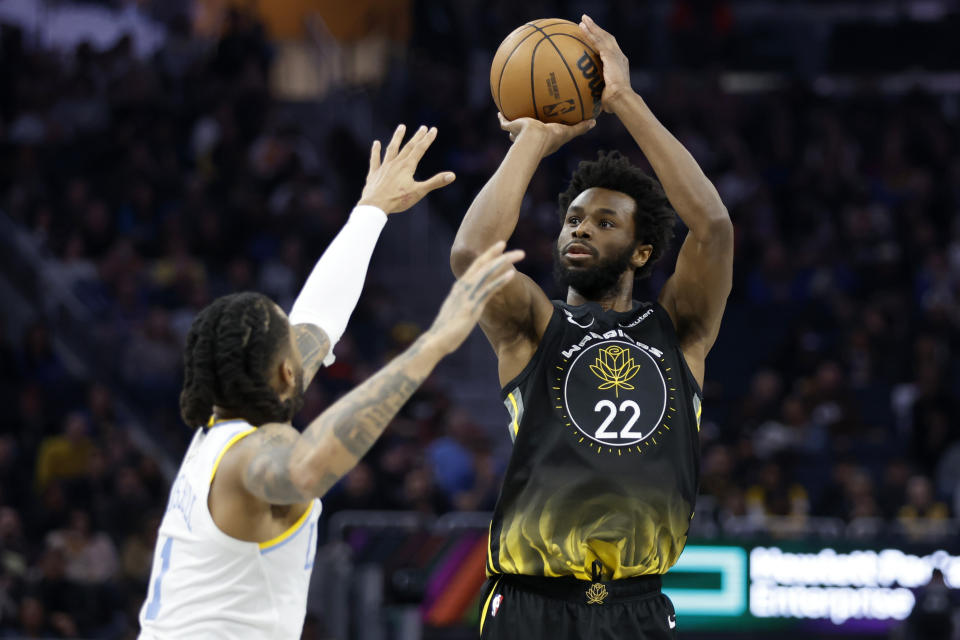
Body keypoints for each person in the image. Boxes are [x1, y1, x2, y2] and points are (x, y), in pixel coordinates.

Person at [137, 124, 524, 639]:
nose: (302, 346)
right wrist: (433, 343)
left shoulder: (218, 430)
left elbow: (316, 320)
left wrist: (370, 212)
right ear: (281, 371)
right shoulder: (251, 454)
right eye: (287, 341)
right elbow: (304, 468)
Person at [450, 15, 733, 640]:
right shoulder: (533, 326)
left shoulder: (680, 331)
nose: (580, 228)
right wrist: (534, 137)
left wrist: (624, 100)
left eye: (605, 222)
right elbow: (471, 257)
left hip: (637, 606)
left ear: (641, 252)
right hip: (530, 603)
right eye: (573, 218)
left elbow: (713, 227)